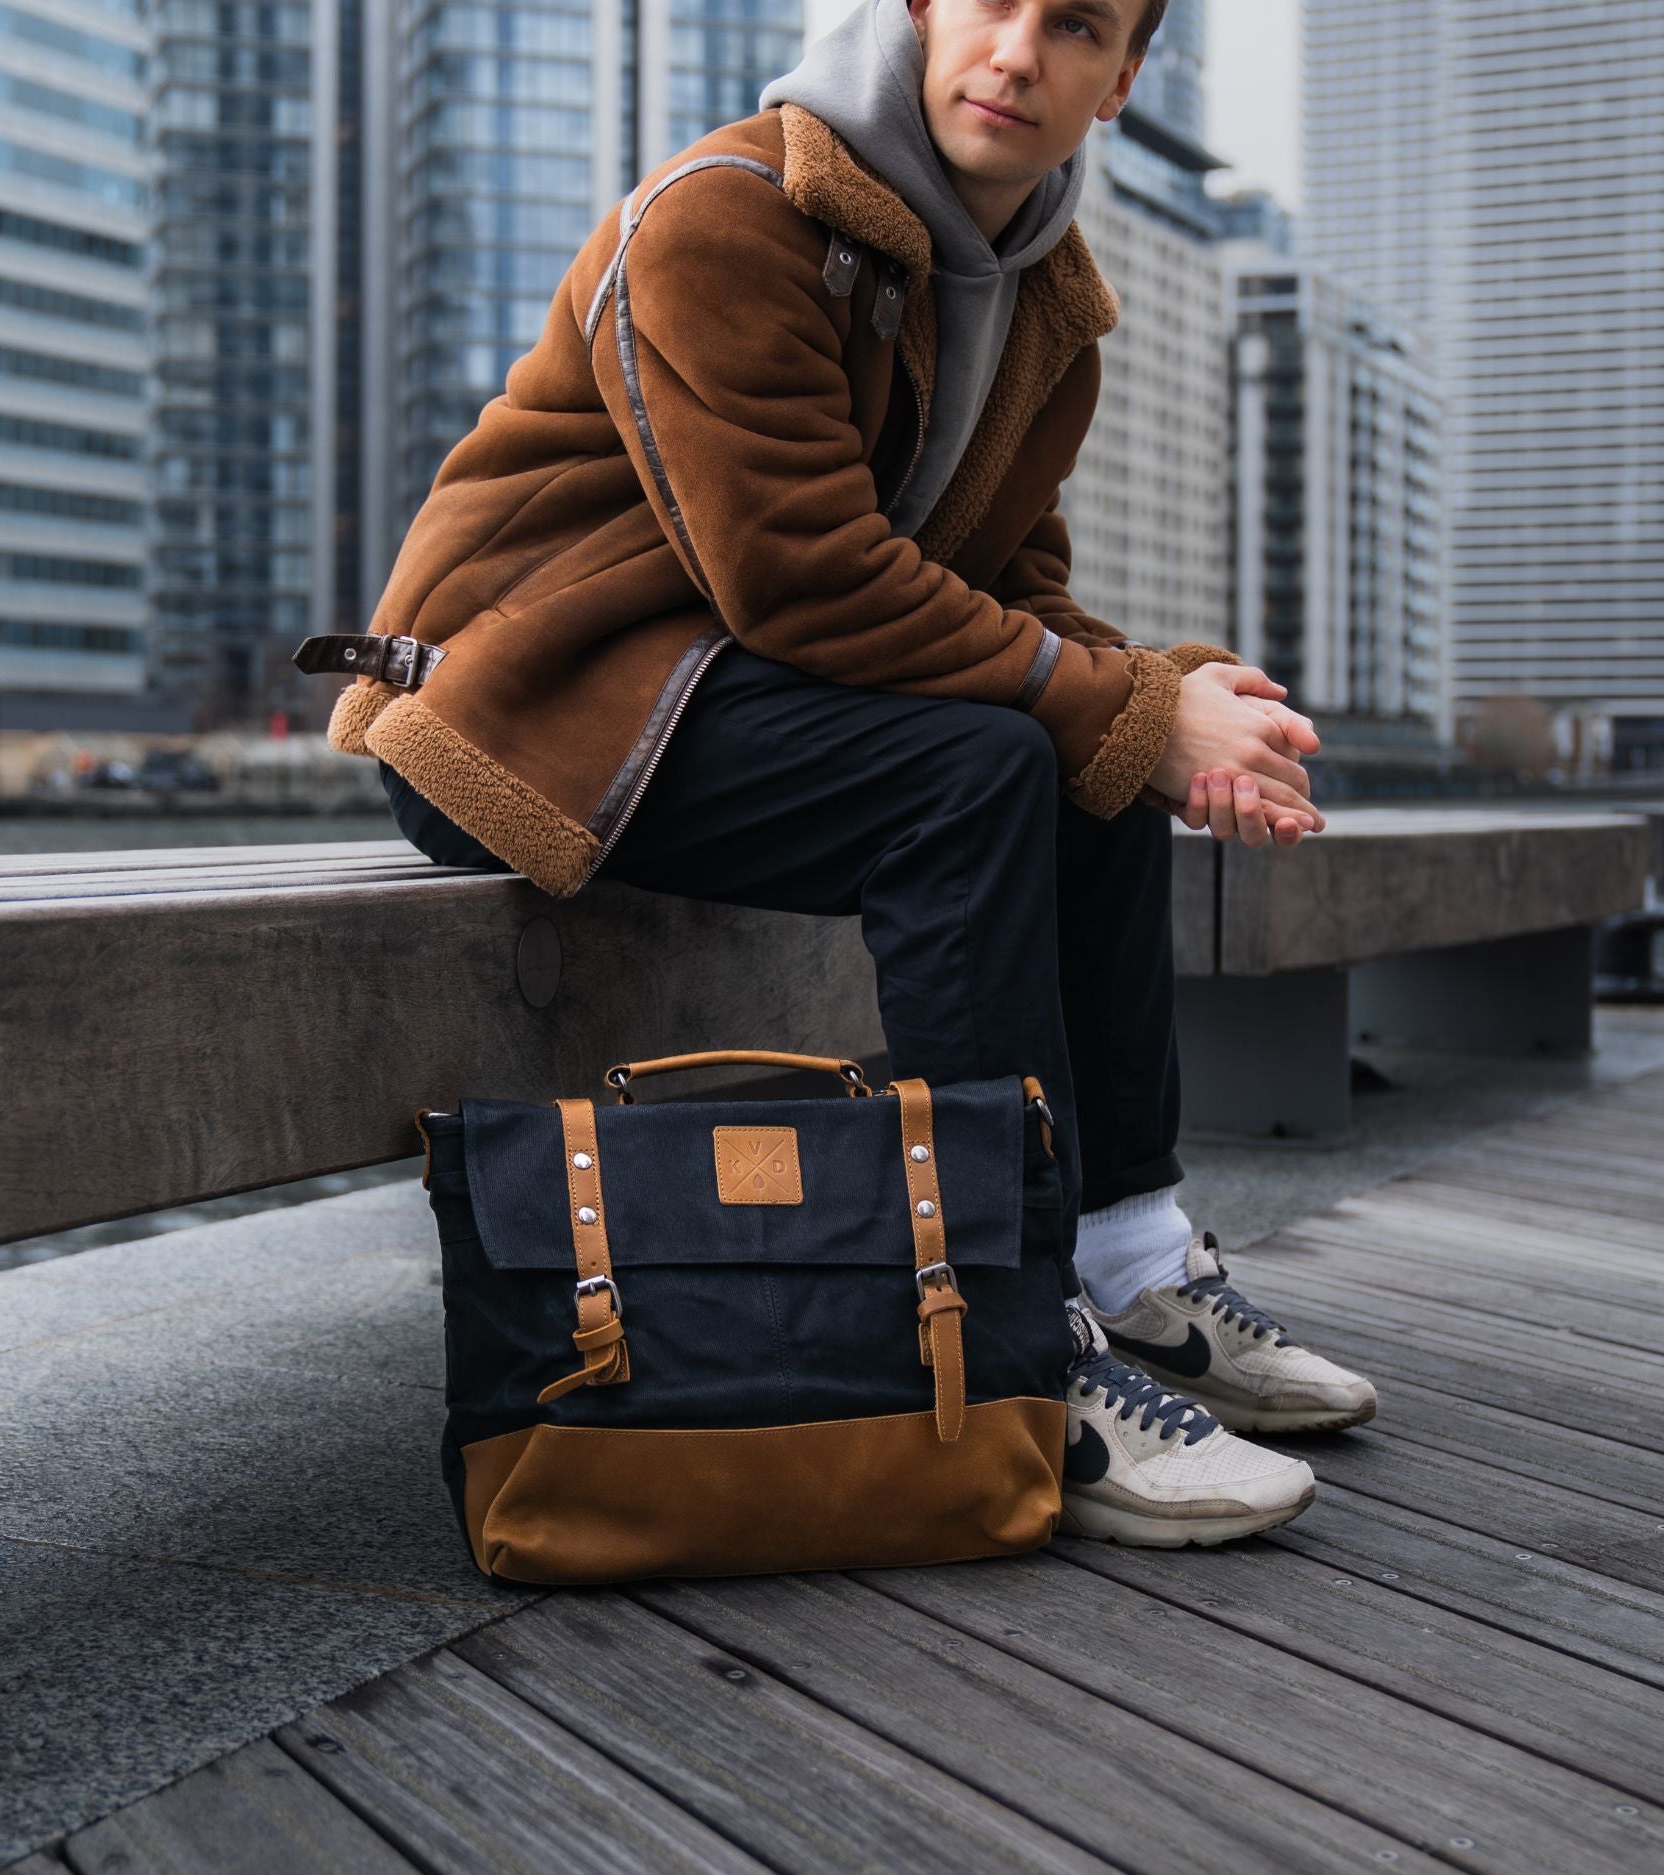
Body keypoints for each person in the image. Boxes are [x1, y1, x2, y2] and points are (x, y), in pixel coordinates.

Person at [299, 0, 1377, 1545]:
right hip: (530, 715)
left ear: (1123, 80)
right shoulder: (728, 217)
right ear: (917, 18)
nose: (1016, 54)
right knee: (985, 767)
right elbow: (801, 575)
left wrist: (1174, 705)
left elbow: (1017, 598)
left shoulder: (1043, 302)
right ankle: (1014, 1342)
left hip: (740, 690)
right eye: (986, 8)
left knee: (1091, 749)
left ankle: (1132, 1262)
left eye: (1071, 27)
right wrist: (1113, 703)